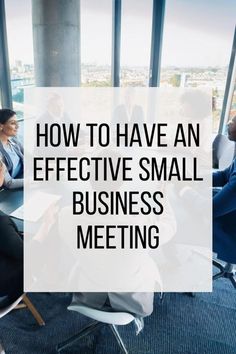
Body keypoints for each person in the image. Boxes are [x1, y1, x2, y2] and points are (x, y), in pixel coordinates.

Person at [213, 115, 236, 264]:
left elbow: (212, 209)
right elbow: (224, 175)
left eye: (233, 121)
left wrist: (185, 192)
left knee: (175, 210)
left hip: (232, 232)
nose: (228, 123)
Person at [0, 109, 23, 189]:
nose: (17, 126)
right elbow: (9, 183)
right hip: (10, 190)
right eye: (13, 123)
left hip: (23, 177)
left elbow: (29, 157)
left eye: (17, 122)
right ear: (1, 126)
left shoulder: (13, 141)